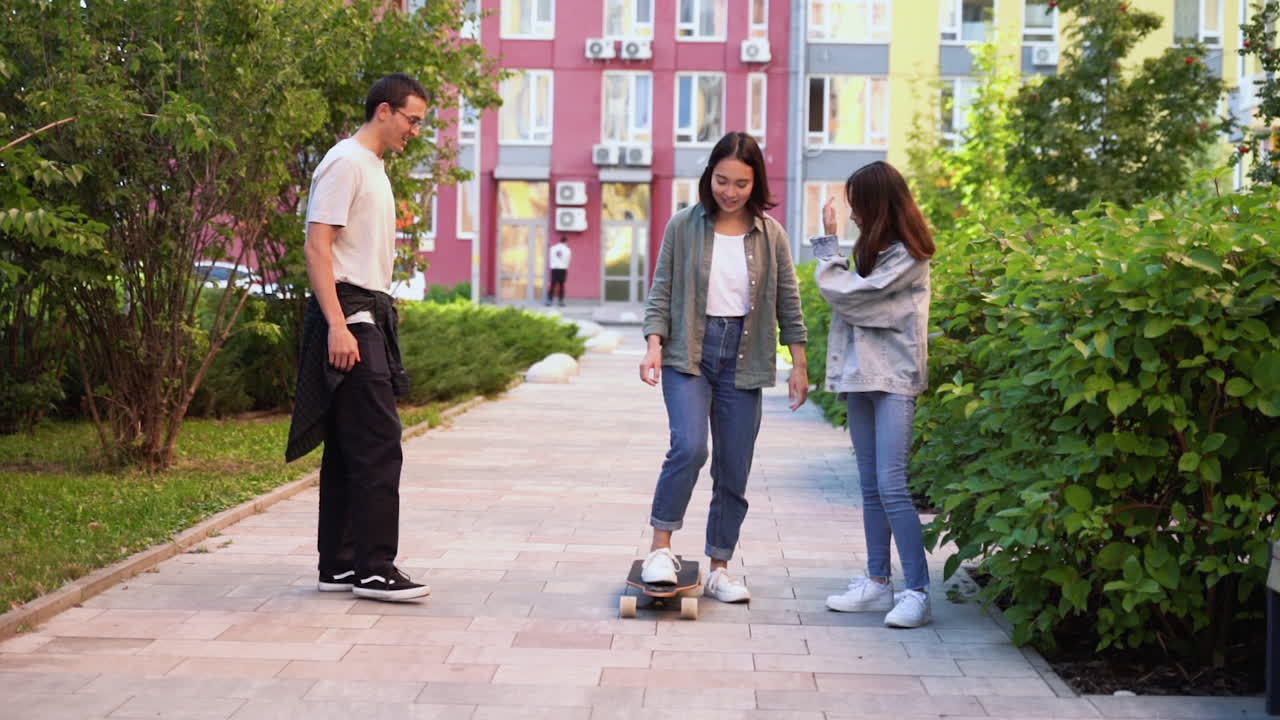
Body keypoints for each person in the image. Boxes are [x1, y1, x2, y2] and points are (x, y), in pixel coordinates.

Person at [638, 131, 808, 603]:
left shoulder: (771, 235)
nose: (729, 192)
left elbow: (789, 304)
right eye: (721, 180)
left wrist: (799, 364)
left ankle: (719, 566)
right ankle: (661, 549)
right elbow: (661, 292)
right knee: (689, 447)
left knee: (734, 466)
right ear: (708, 176)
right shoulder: (683, 226)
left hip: (745, 356)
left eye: (741, 183)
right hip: (689, 351)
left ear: (756, 183)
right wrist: (653, 345)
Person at [284, 73, 431, 602]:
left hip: (365, 311)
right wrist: (338, 325)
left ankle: (340, 563)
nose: (415, 130)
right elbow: (317, 247)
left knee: (349, 447)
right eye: (412, 120)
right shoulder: (346, 162)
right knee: (379, 443)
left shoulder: (371, 167)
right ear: (385, 110)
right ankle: (375, 568)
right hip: (349, 313)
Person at [812, 160, 936, 628]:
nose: (854, 215)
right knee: (870, 487)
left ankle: (917, 592)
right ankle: (878, 582)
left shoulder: (910, 255)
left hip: (894, 380)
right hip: (862, 377)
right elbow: (849, 292)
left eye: (858, 205)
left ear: (878, 204)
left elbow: (852, 298)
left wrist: (828, 242)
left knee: (893, 486)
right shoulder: (873, 252)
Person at [546, 235, 571, 306]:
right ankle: (561, 301)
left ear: (560, 241)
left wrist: (552, 265)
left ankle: (549, 301)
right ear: (566, 242)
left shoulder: (553, 248)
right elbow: (568, 260)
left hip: (554, 268)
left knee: (552, 285)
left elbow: (550, 258)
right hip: (563, 269)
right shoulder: (567, 249)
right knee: (561, 285)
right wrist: (565, 267)